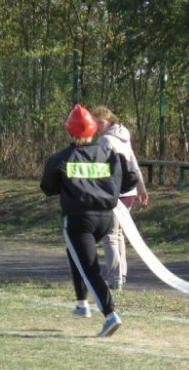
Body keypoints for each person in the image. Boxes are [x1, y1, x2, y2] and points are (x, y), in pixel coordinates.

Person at [39, 103, 137, 337]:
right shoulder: (108, 153)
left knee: (89, 266)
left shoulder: (61, 158)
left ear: (70, 132)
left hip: (78, 220)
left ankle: (110, 313)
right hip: (105, 217)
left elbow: (47, 187)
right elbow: (130, 177)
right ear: (93, 131)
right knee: (78, 256)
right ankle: (82, 303)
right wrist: (109, 191)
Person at [92, 106, 149, 291]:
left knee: (110, 235)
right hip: (129, 192)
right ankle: (121, 275)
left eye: (100, 123)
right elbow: (133, 161)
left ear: (110, 121)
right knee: (118, 234)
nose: (97, 127)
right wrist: (140, 187)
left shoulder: (105, 140)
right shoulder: (124, 137)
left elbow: (99, 169)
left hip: (114, 192)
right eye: (95, 123)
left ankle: (114, 278)